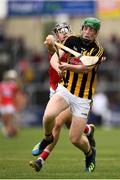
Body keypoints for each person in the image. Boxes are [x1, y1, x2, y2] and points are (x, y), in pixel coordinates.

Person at [30, 17, 104, 172]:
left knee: (74, 139)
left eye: (91, 30)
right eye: (86, 28)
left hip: (83, 97)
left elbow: (85, 68)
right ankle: (47, 138)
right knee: (49, 117)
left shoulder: (98, 50)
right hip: (66, 89)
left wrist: (68, 66)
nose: (87, 32)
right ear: (82, 28)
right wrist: (58, 66)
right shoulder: (71, 40)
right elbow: (56, 56)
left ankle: (90, 153)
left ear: (96, 33)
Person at [0, 69, 27, 137]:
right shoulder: (2, 84)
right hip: (3, 104)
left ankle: (9, 132)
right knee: (5, 119)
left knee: (10, 119)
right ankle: (8, 131)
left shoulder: (13, 85)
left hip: (10, 104)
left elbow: (18, 92)